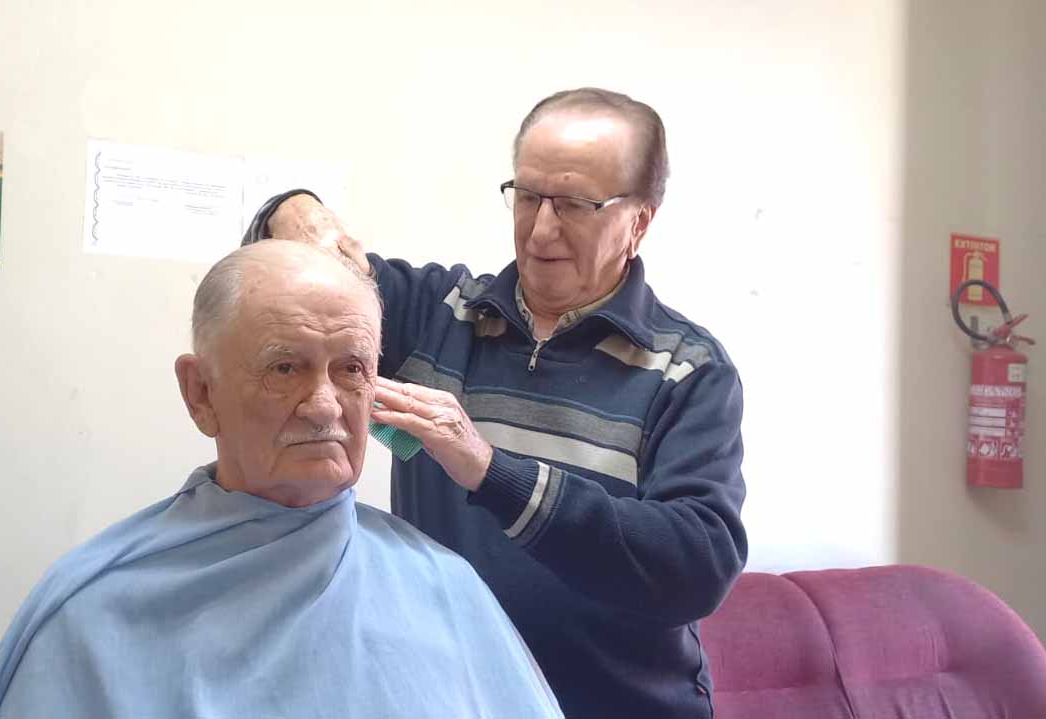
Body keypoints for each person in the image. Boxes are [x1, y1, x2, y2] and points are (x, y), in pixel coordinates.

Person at [245, 87, 747, 718]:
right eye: (529, 196)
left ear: (639, 221)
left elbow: (696, 567)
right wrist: (289, 211)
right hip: (453, 702)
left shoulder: (688, 371)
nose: (540, 230)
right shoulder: (436, 314)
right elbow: (284, 283)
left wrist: (490, 470)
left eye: (574, 205)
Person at [0, 241, 562, 719]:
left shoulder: (446, 591)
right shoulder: (96, 611)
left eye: (351, 369)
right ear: (201, 393)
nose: (324, 406)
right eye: (284, 368)